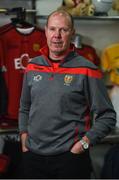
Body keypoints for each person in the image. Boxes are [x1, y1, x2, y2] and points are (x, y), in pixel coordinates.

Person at [18, 10, 116, 179]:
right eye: (53, 29)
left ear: (72, 33)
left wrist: (83, 144)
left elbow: (107, 116)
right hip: (33, 157)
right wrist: (24, 138)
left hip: (71, 159)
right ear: (46, 31)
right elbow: (24, 107)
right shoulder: (32, 66)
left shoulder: (87, 69)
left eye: (63, 30)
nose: (57, 35)